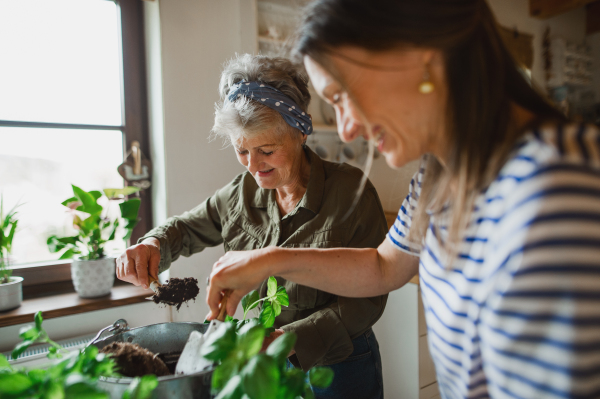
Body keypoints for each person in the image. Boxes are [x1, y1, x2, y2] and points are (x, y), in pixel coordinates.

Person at [206, 1, 600, 398]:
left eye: (342, 96)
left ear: (418, 56)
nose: (346, 130)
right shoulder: (437, 175)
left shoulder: (559, 185)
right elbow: (383, 266)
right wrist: (269, 261)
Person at [116, 54, 388, 398]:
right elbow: (184, 229)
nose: (254, 166)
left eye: (267, 150)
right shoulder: (238, 195)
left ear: (300, 133)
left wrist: (287, 341)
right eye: (242, 151)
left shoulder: (350, 192)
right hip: (261, 364)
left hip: (336, 368)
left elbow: (367, 300)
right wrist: (152, 243)